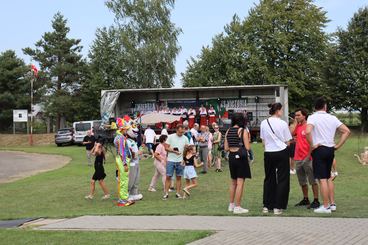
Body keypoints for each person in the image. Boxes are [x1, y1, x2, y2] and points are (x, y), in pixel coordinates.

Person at [306, 97, 350, 214]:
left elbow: (307, 131)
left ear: (315, 107)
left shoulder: (312, 117)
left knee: (322, 179)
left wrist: (312, 145)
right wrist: (338, 146)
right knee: (328, 177)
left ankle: (325, 207)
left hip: (319, 149)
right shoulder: (332, 118)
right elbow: (346, 131)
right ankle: (332, 204)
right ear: (325, 106)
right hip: (330, 149)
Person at [260, 103, 292, 215]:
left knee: (269, 178)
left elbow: (263, 141)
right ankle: (278, 206)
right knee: (283, 179)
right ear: (277, 110)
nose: (282, 112)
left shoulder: (264, 123)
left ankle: (267, 205)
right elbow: (288, 141)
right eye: (281, 110)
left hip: (268, 152)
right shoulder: (283, 123)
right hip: (281, 151)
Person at [289, 108, 320, 209]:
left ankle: (316, 200)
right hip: (298, 157)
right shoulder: (298, 126)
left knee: (313, 180)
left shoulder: (308, 126)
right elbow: (291, 134)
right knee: (302, 181)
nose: (296, 117)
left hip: (308, 157)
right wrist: (295, 122)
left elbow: (313, 142)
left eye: (298, 115)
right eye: (295, 115)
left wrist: (309, 156)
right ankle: (305, 199)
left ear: (304, 116)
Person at [224, 113, 252, 214]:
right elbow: (248, 147)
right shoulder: (243, 131)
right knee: (240, 182)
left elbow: (226, 148)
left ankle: (231, 205)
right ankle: (238, 206)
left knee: (233, 182)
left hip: (231, 157)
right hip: (240, 157)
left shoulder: (228, 131)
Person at [163, 124, 189, 200]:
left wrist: (184, 159)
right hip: (170, 160)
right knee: (168, 177)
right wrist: (174, 151)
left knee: (179, 177)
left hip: (180, 161)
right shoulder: (170, 137)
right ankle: (166, 193)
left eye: (183, 131)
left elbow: (187, 150)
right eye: (181, 131)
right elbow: (166, 148)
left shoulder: (185, 138)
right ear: (177, 130)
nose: (182, 133)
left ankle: (178, 193)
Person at [114, 117, 134, 207]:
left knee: (122, 180)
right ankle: (123, 200)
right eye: (126, 129)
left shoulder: (118, 137)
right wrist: (125, 163)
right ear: (122, 129)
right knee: (124, 180)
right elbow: (122, 151)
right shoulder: (121, 138)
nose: (126, 131)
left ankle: (123, 198)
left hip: (120, 159)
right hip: (122, 160)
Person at [127, 125, 143, 202]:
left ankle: (134, 194)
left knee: (136, 180)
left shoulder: (133, 141)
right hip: (131, 163)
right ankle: (126, 194)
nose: (136, 133)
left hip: (136, 162)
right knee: (131, 180)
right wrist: (138, 153)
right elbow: (129, 154)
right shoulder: (127, 141)